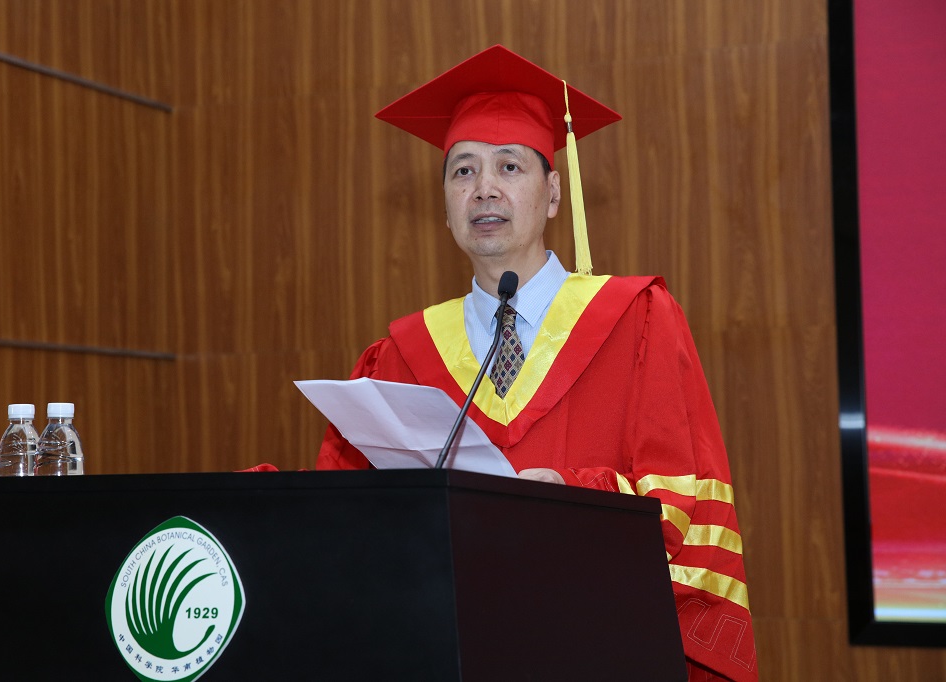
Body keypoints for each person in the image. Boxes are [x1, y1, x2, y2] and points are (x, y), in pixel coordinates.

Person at [314, 45, 757, 681]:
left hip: (596, 651)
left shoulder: (638, 321)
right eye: (462, 171)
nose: (484, 188)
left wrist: (572, 499)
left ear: (552, 194)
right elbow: (345, 526)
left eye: (509, 165)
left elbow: (686, 509)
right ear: (445, 204)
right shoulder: (398, 358)